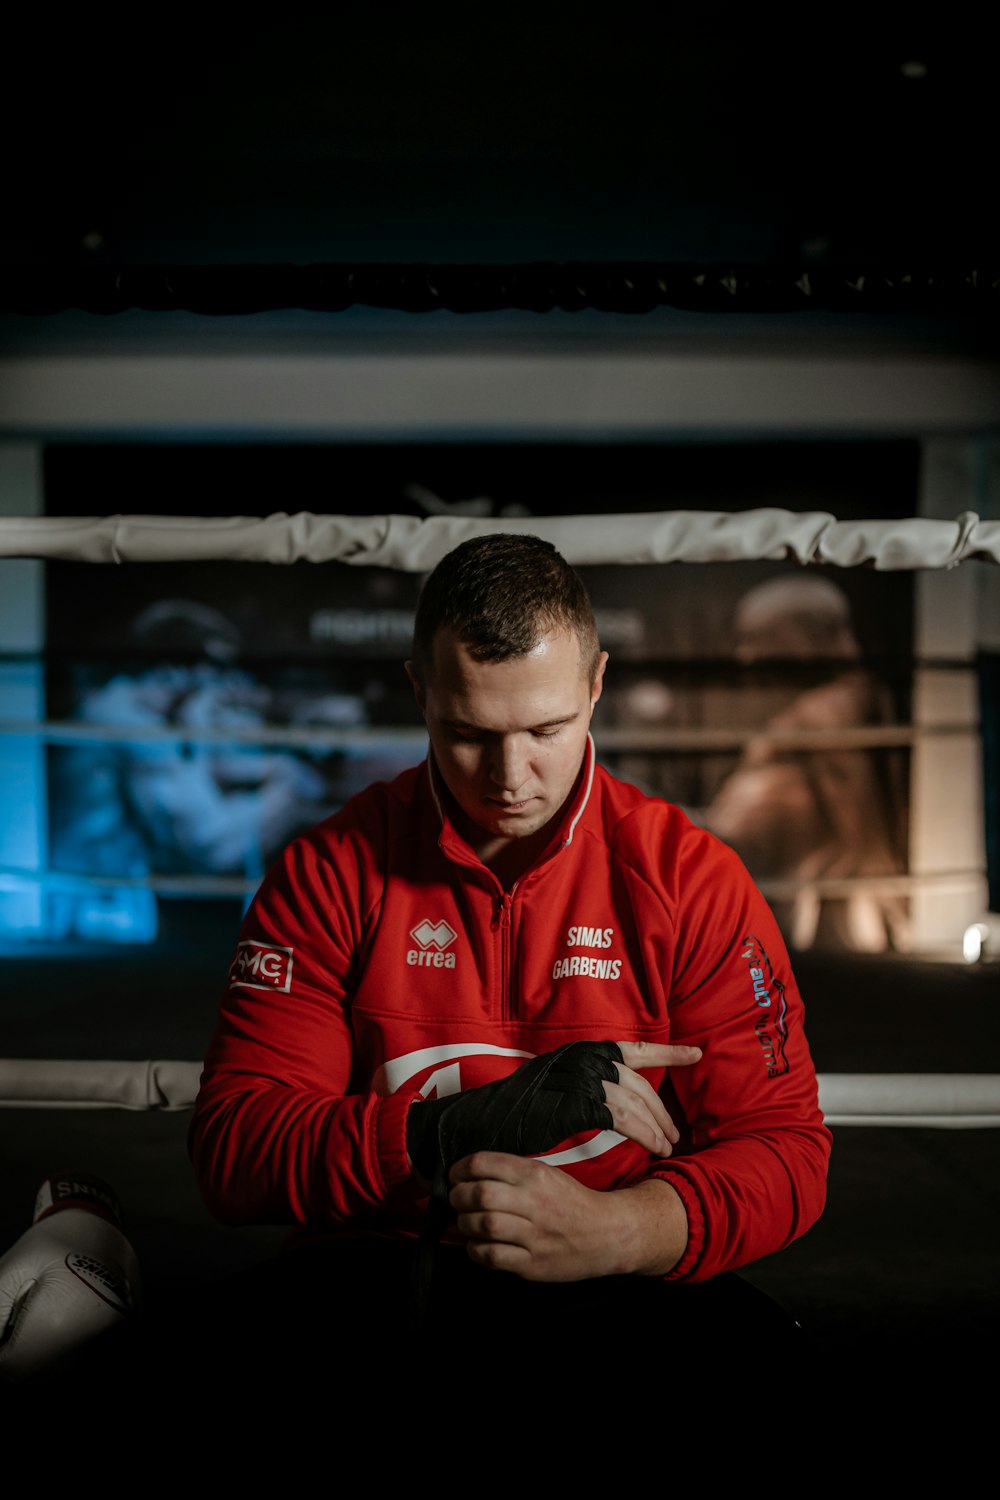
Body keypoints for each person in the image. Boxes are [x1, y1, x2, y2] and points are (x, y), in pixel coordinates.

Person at [146, 535, 830, 1432]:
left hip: (611, 1273)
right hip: (375, 1265)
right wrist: (455, 1127)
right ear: (421, 691)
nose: (510, 778)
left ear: (595, 687)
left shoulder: (689, 881)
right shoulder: (332, 872)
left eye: (545, 731)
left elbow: (785, 1150)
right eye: (468, 734)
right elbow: (236, 1151)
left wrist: (622, 1229)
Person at [700, 574, 910, 952]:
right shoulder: (840, 705)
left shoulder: (823, 715)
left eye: (758, 638)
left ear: (801, 636)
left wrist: (891, 900)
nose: (746, 656)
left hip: (796, 889)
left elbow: (861, 817)